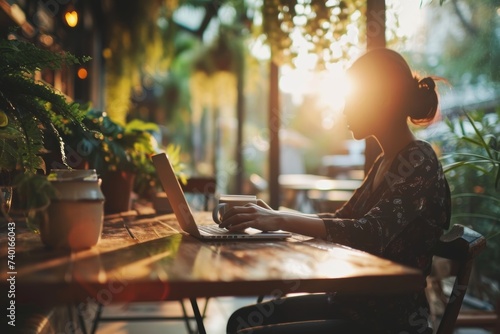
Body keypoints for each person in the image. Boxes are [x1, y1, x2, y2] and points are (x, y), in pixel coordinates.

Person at [222, 48, 451, 333]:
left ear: (381, 99)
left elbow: (370, 232)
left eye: (351, 99)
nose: (344, 109)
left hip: (388, 321)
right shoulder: (386, 160)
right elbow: (343, 218)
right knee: (239, 320)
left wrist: (280, 220)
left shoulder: (419, 160)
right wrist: (274, 216)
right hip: (352, 304)